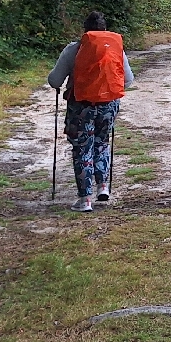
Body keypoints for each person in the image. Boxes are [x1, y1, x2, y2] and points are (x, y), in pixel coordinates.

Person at [48, 11, 134, 212]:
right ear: (105, 30)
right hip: (108, 105)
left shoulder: (73, 50)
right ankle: (102, 186)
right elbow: (128, 80)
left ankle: (85, 199)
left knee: (82, 148)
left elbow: (55, 81)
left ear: (85, 31)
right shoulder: (116, 49)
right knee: (101, 143)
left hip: (81, 106)